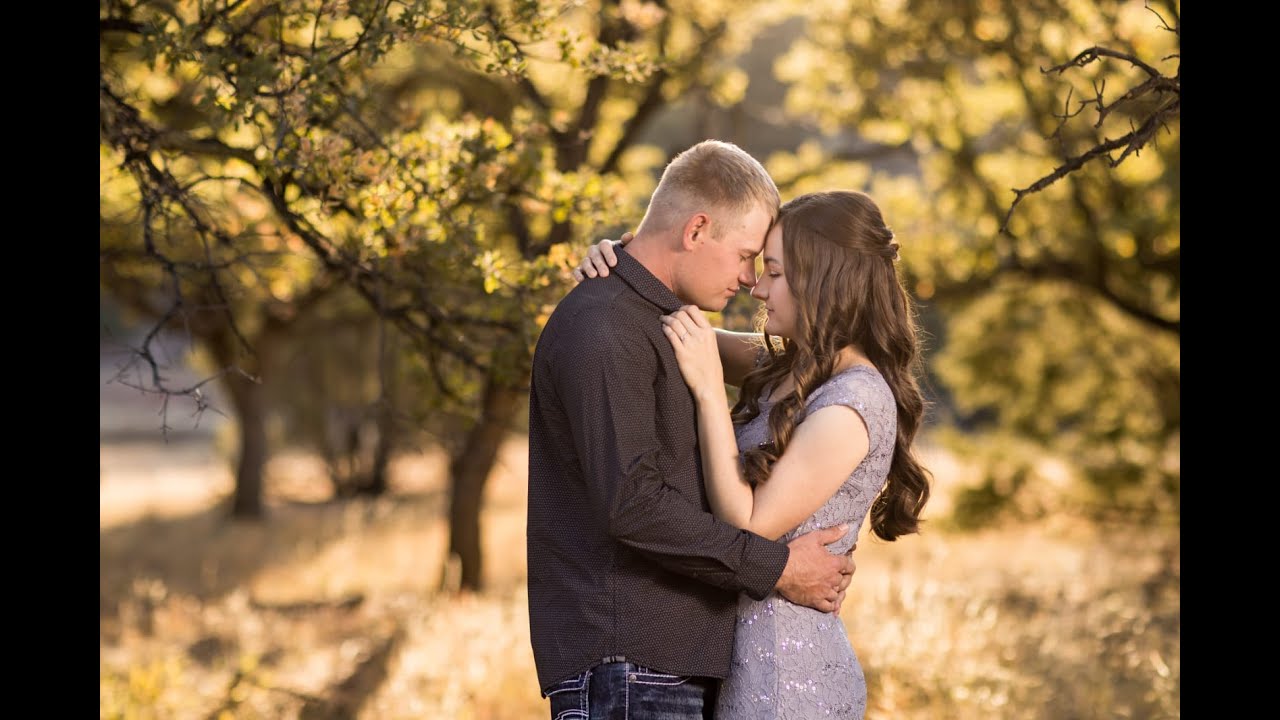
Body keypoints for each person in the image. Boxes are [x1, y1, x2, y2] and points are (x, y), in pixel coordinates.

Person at [527, 140, 859, 720]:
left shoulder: (658, 319)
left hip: (660, 668)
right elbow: (633, 505)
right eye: (745, 255)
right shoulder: (606, 324)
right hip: (628, 666)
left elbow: (800, 364)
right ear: (697, 229)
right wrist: (778, 568)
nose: (749, 279)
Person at [574, 189, 933, 719]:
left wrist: (707, 391)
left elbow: (748, 523)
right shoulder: (791, 368)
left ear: (824, 280)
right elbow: (673, 323)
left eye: (776, 273)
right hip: (736, 662)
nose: (758, 287)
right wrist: (626, 259)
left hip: (786, 680)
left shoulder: (854, 402)